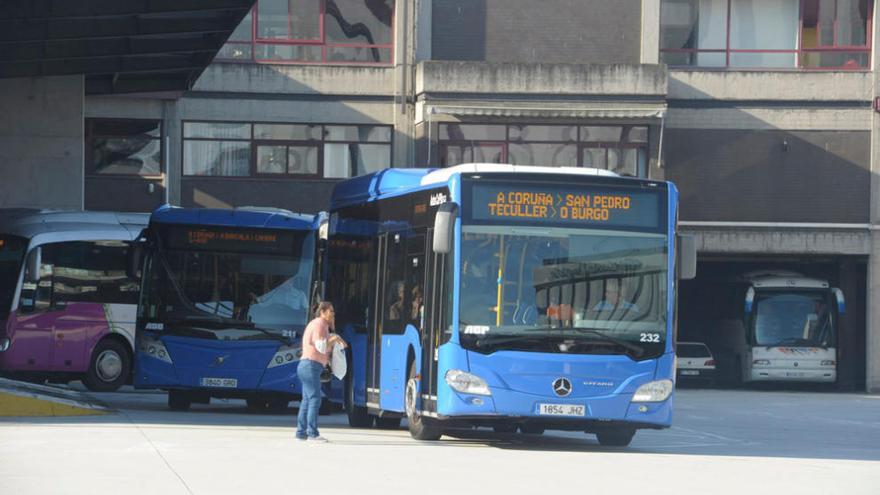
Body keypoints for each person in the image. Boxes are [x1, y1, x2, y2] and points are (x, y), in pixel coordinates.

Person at [296, 301, 347, 442]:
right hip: (310, 365)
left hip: (307, 365)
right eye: (331, 311)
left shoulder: (321, 325)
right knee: (315, 399)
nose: (333, 314)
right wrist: (334, 338)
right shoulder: (319, 325)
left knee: (307, 400)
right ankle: (312, 433)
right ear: (322, 312)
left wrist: (333, 332)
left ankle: (301, 433)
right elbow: (321, 347)